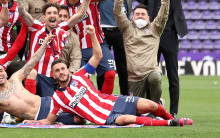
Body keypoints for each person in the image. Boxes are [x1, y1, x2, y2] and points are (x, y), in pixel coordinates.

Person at [31, 26, 192, 127]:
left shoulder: (80, 75)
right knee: (129, 119)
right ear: (54, 76)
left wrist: (93, 35)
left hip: (114, 101)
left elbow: (97, 56)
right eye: (57, 71)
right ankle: (170, 123)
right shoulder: (57, 98)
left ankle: (171, 118)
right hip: (105, 118)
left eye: (63, 68)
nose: (61, 72)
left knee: (152, 106)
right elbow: (49, 121)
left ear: (67, 69)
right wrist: (31, 122)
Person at [133, 0, 207, 117]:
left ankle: (173, 112)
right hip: (151, 37)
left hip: (169, 35)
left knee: (173, 76)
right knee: (147, 75)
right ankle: (148, 110)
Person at [0, 32, 81, 128]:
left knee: (80, 106)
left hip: (48, 101)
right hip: (40, 116)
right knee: (78, 119)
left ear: (6, 73)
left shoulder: (15, 78)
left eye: (1, 71)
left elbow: (33, 61)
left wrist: (45, 42)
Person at [18, 0, 92, 97]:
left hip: (50, 77)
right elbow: (22, 13)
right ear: (44, 16)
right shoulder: (36, 27)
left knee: (49, 103)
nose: (52, 15)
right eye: (49, 13)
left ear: (58, 17)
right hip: (34, 74)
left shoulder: (62, 29)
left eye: (54, 13)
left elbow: (79, 15)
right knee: (31, 73)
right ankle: (28, 105)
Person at [82, 0, 138, 96]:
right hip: (102, 30)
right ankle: (101, 99)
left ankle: (126, 99)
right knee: (103, 68)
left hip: (121, 30)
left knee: (123, 68)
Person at [58, 0, 116, 93]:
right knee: (79, 82)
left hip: (98, 44)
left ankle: (105, 105)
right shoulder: (59, 6)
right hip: (77, 50)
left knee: (110, 74)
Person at [115, 0, 170, 103]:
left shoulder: (155, 28)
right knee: (134, 111)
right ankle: (152, 102)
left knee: (155, 77)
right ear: (132, 17)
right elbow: (118, 13)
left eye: (143, 14)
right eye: (137, 14)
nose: (140, 16)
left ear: (148, 18)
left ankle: (155, 107)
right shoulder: (127, 29)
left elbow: (163, 14)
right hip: (132, 78)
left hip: (150, 73)